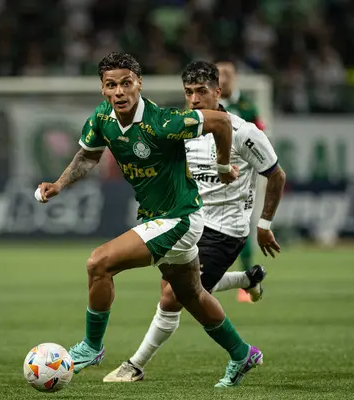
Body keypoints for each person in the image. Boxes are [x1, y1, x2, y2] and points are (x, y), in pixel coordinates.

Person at [37, 53, 272, 388]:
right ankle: (241, 353)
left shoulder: (163, 122)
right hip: (157, 217)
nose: (119, 92)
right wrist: (59, 184)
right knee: (190, 295)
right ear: (103, 89)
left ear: (139, 84)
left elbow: (220, 123)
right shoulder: (103, 118)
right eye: (111, 85)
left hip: (180, 219)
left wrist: (222, 166)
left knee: (99, 263)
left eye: (126, 83)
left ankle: (92, 346)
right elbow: (88, 155)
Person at [104, 61, 285, 383]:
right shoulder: (182, 127)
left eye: (202, 91)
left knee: (175, 295)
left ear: (218, 92)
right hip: (187, 220)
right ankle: (246, 280)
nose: (194, 99)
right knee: (185, 290)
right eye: (188, 92)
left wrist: (265, 225)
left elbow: (275, 174)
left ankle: (135, 365)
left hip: (225, 229)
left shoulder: (243, 131)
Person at [216, 59, 268, 302]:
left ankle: (244, 280)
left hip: (244, 176)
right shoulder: (208, 104)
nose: (223, 78)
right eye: (219, 74)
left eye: (227, 73)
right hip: (212, 175)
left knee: (242, 223)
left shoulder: (246, 106)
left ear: (235, 76)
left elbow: (261, 137)